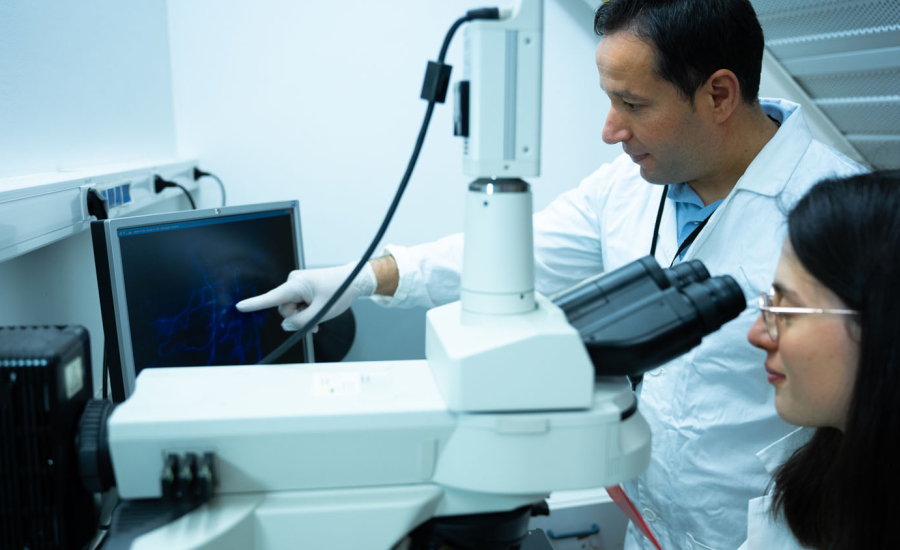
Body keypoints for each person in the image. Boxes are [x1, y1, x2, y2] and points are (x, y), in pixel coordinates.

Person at [238, 1, 865, 548]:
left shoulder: (841, 214)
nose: (610, 129)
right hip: (649, 532)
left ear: (720, 95)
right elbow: (502, 259)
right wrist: (359, 279)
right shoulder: (628, 185)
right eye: (608, 100)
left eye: (633, 103)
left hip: (763, 536)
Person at [744, 171, 900, 549]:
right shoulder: (817, 480)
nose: (757, 334)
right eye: (769, 303)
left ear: (883, 325)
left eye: (789, 310)